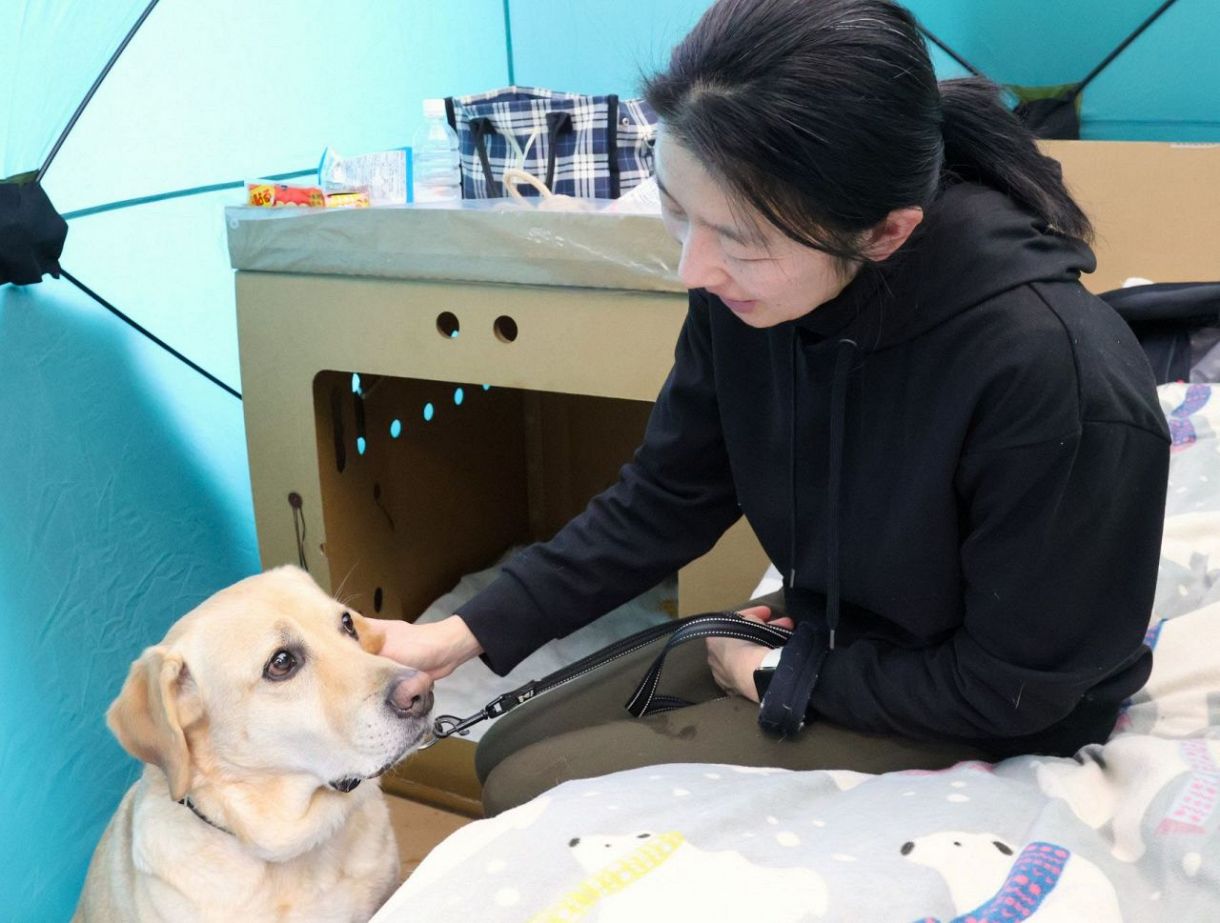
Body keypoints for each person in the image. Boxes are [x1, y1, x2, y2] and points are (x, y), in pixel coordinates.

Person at [381, 0, 1170, 815]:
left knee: (529, 784)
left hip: (990, 702)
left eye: (738, 237)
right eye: (678, 209)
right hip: (835, 628)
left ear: (887, 233)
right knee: (505, 747)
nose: (694, 268)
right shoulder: (753, 297)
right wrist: (462, 633)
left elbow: (1016, 688)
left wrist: (777, 673)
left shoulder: (1056, 377)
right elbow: (665, 496)